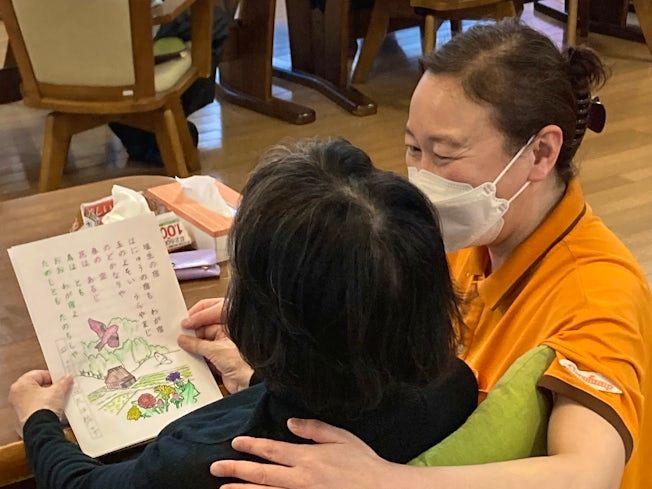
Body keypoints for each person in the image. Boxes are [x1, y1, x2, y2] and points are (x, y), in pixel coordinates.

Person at [181, 20, 652, 489]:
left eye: (443, 155)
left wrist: (383, 482)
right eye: (412, 148)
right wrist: (282, 328)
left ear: (541, 153)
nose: (422, 176)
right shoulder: (470, 239)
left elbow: (588, 473)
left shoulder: (597, 294)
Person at [9, 139, 478, 489]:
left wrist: (38, 421)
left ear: (252, 320)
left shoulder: (204, 459)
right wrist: (256, 377)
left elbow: (81, 485)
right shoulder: (453, 386)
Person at [109, 1, 235, 163]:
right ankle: (165, 125)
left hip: (83, 59)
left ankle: (144, 132)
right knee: (216, 21)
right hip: (133, 28)